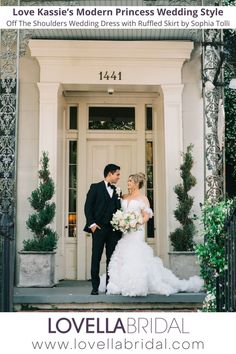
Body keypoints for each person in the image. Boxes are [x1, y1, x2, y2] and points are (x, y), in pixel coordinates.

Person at [100, 172, 203, 296]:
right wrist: (121, 222)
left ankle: (136, 284)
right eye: (128, 181)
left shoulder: (143, 198)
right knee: (123, 254)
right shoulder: (124, 196)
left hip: (136, 231)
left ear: (137, 183)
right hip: (125, 232)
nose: (127, 183)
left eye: (130, 181)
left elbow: (146, 216)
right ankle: (119, 284)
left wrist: (135, 222)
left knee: (135, 255)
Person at [84, 164, 122, 295]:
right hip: (99, 229)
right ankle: (95, 287)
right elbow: (88, 207)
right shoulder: (95, 187)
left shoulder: (118, 190)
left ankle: (109, 287)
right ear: (110, 174)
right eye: (117, 174)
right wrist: (92, 225)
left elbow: (119, 210)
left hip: (113, 231)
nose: (118, 177)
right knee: (96, 257)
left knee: (111, 259)